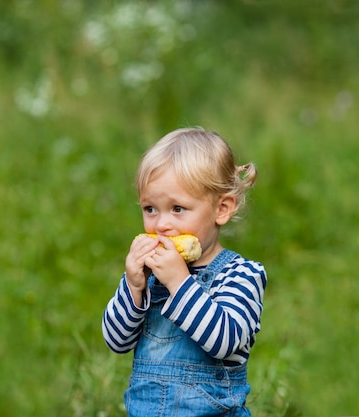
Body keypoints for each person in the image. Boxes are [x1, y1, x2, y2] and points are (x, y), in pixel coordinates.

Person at [102, 127, 267, 416]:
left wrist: (180, 282)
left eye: (177, 208)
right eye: (150, 209)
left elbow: (224, 341)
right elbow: (116, 341)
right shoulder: (148, 276)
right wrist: (133, 287)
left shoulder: (240, 274)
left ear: (222, 209)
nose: (162, 224)